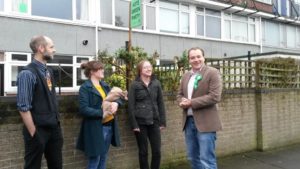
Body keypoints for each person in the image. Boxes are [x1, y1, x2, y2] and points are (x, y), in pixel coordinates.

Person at [17, 35, 63, 169]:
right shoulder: (27, 74)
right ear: (41, 48)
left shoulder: (48, 71)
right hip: (37, 131)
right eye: (51, 47)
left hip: (54, 129)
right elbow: (23, 107)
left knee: (57, 165)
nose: (54, 50)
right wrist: (33, 133)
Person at [177, 47, 222, 169]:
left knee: (207, 160)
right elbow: (179, 94)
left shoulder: (212, 72)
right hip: (188, 123)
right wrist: (181, 101)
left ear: (203, 58)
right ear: (189, 60)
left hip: (206, 123)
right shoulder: (186, 75)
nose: (196, 60)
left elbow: (215, 96)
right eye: (192, 57)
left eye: (198, 56)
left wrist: (191, 103)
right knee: (193, 158)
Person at [76, 61, 121, 169]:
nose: (102, 70)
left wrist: (116, 103)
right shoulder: (85, 87)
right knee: (95, 159)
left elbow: (118, 98)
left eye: (102, 68)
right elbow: (84, 109)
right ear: (92, 71)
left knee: (103, 157)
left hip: (109, 126)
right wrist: (102, 113)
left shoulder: (105, 85)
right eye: (100, 69)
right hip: (96, 128)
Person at [128, 60, 166, 169]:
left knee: (157, 151)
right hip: (140, 123)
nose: (149, 69)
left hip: (154, 121)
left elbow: (160, 103)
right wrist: (134, 124)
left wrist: (162, 122)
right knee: (143, 151)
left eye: (150, 67)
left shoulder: (156, 83)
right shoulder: (134, 85)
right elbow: (131, 105)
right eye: (145, 67)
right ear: (140, 70)